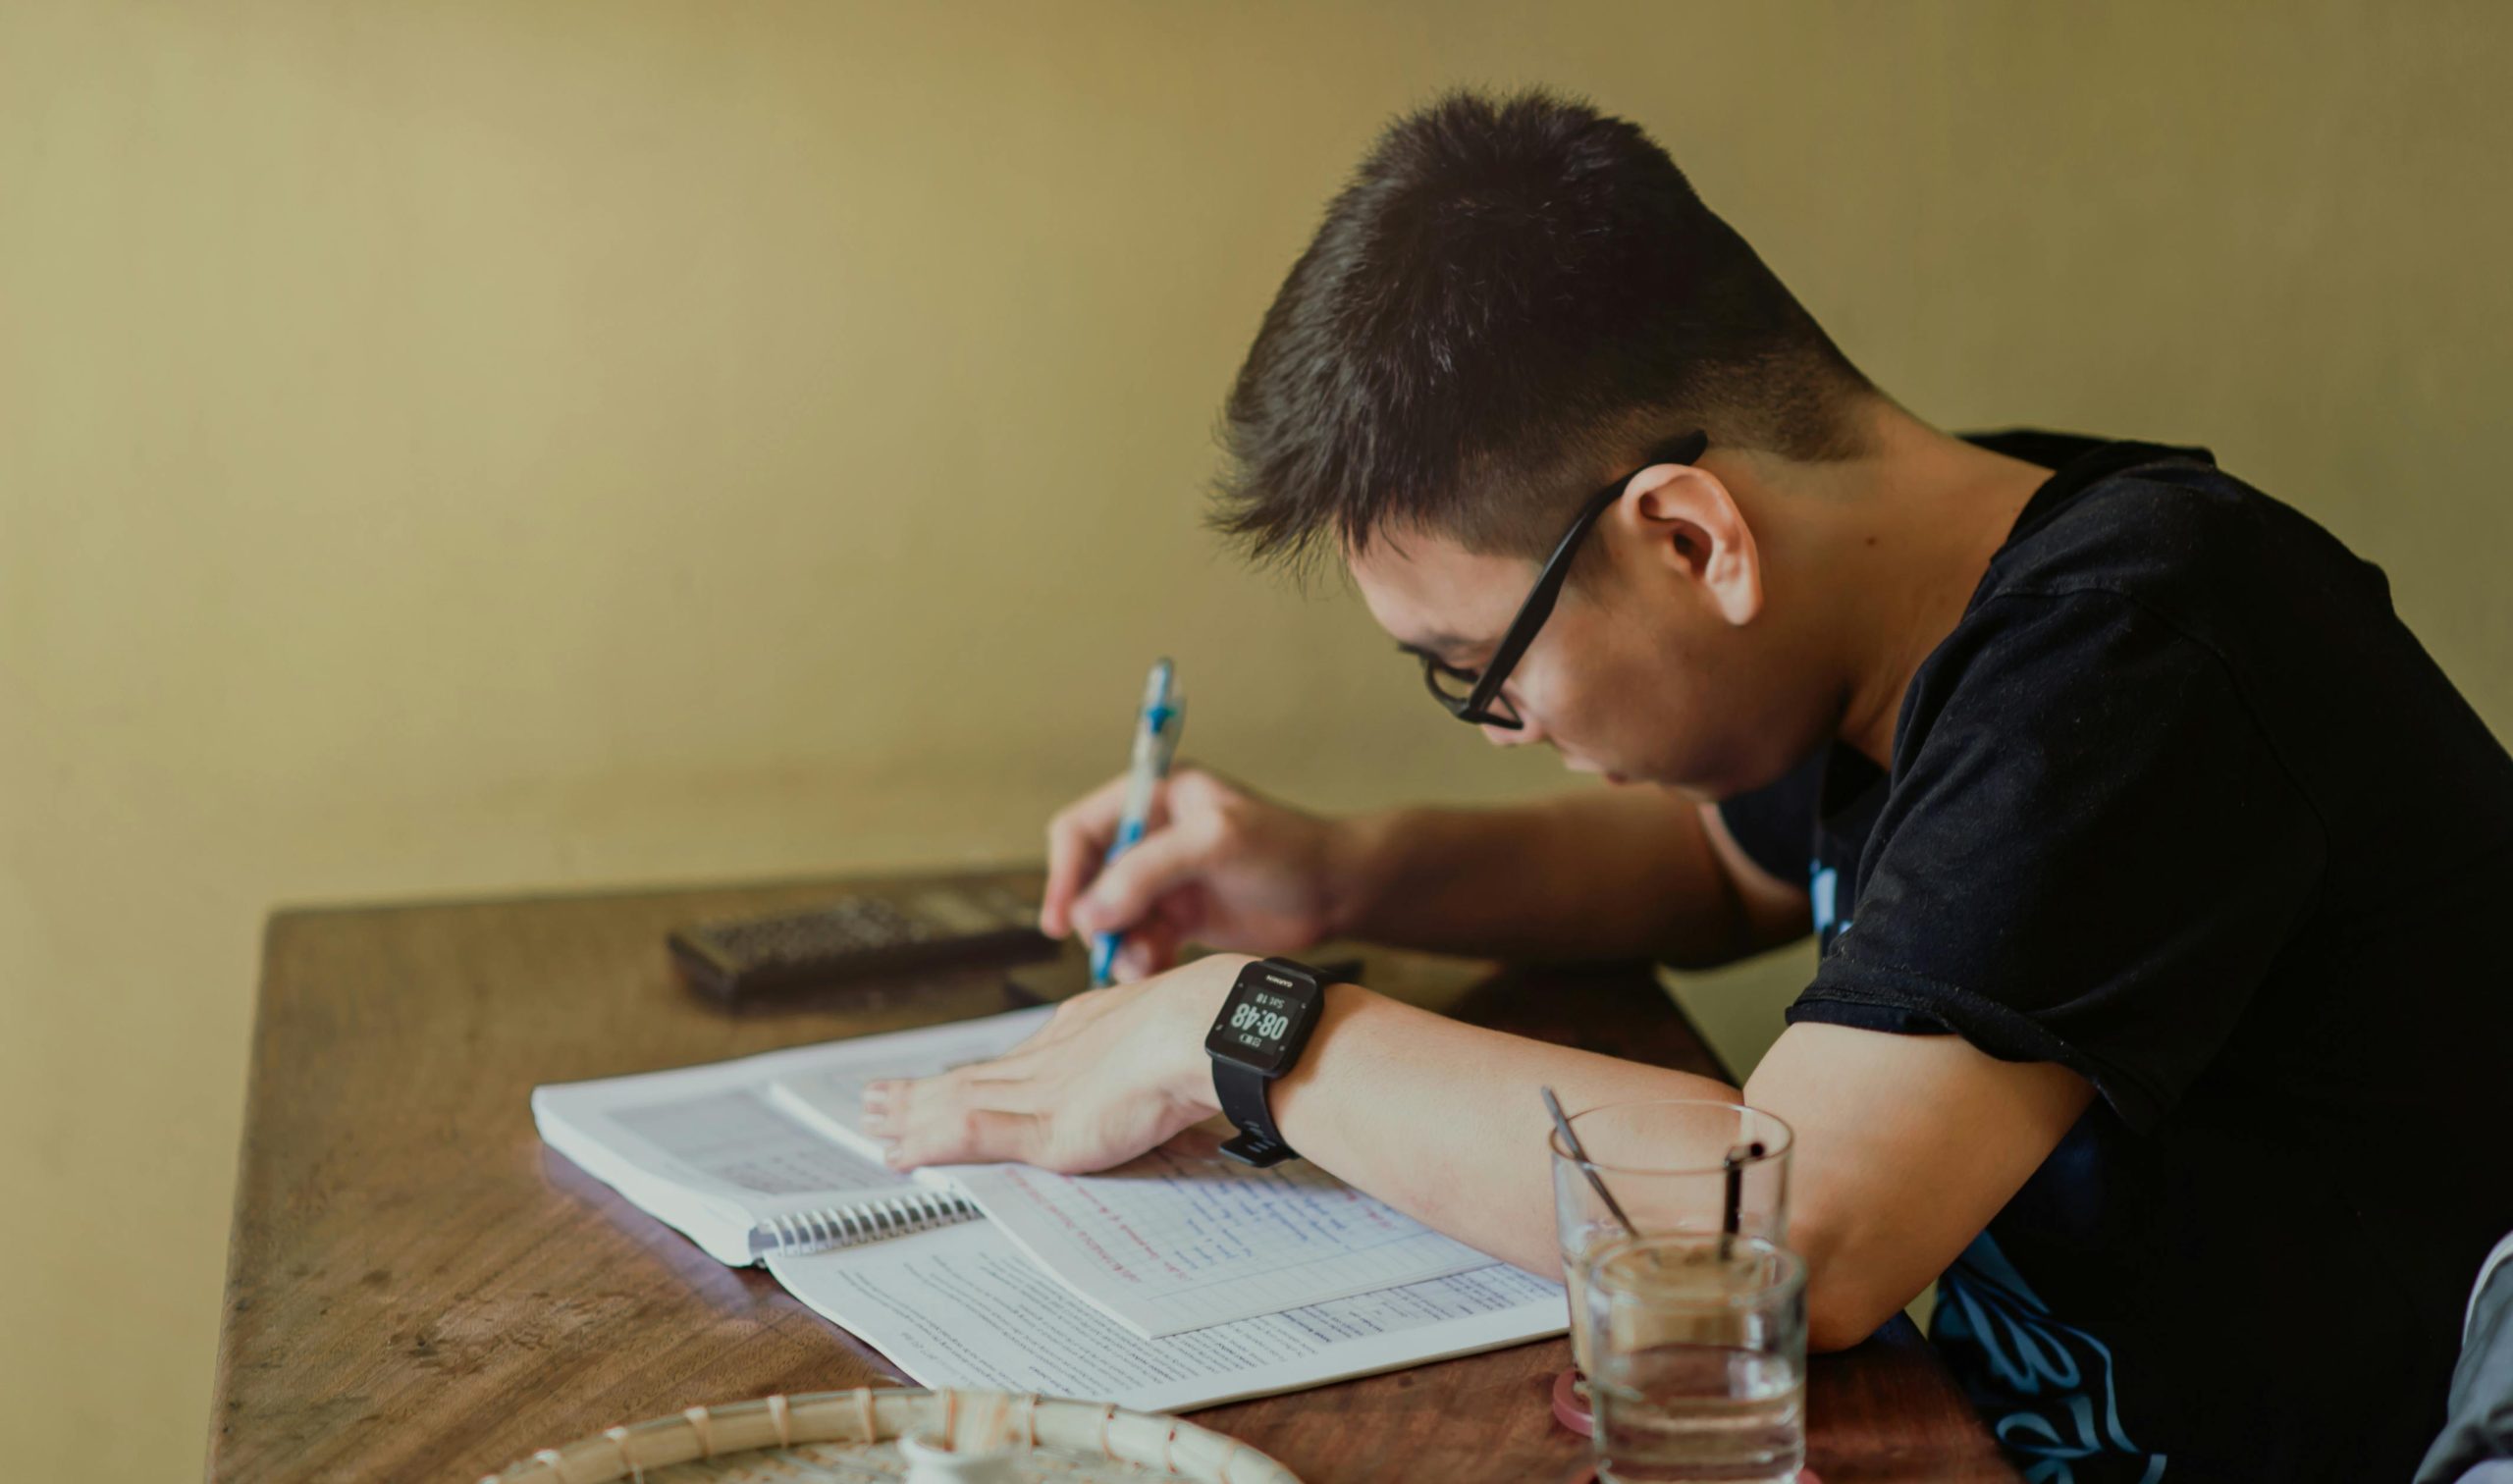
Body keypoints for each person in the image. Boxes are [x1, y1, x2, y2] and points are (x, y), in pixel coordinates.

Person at [862, 88, 2513, 1481]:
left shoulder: (2138, 650)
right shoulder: (1931, 585)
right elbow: (1720, 872)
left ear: (1687, 536)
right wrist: (1342, 872)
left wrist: (1241, 1028)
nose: (1496, 723)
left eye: (1479, 668)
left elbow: (1792, 1231)